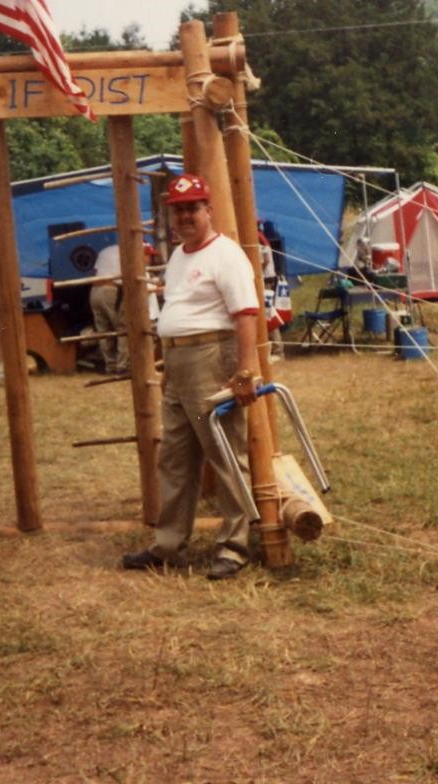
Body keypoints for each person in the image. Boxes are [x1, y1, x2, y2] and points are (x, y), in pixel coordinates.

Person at [121, 174, 262, 580]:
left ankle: (234, 547)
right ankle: (168, 545)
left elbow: (246, 314)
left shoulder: (226, 254)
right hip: (180, 362)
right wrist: (169, 367)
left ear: (208, 210)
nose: (184, 216)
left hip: (211, 358)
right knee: (175, 458)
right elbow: (178, 311)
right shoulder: (180, 256)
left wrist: (245, 371)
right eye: (178, 210)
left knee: (223, 451)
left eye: (192, 208)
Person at [89, 242, 128, 375]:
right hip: (110, 289)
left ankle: (110, 365)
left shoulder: (105, 250)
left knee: (103, 330)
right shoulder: (130, 249)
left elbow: (95, 272)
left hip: (95, 290)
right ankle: (122, 365)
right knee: (123, 328)